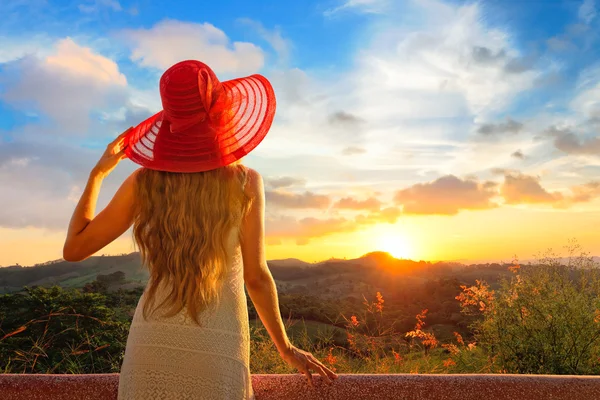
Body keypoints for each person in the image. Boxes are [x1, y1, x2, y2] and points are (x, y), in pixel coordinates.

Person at [63, 60, 337, 399]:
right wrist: (285, 347)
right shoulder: (244, 182)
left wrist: (97, 174)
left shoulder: (145, 182)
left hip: (151, 340)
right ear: (221, 113)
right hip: (220, 340)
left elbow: (74, 250)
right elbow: (256, 276)